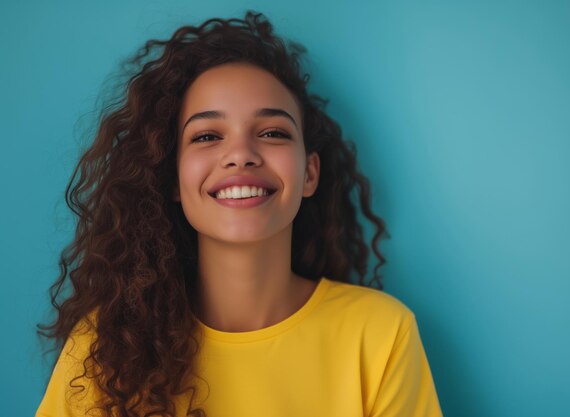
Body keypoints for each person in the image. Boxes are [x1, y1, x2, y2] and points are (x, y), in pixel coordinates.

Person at [35, 10, 443, 417]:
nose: (241, 155)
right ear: (173, 179)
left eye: (272, 133)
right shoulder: (105, 345)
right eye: (208, 136)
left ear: (310, 173)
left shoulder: (381, 336)